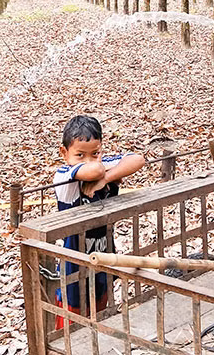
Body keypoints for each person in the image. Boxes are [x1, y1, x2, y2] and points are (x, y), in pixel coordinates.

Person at [53, 115, 145, 327]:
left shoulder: (101, 167)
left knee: (99, 312)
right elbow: (94, 169)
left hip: (103, 254)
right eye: (80, 155)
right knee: (71, 321)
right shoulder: (64, 175)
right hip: (75, 263)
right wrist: (101, 168)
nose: (88, 159)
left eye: (95, 153)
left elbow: (138, 159)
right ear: (64, 153)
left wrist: (105, 179)